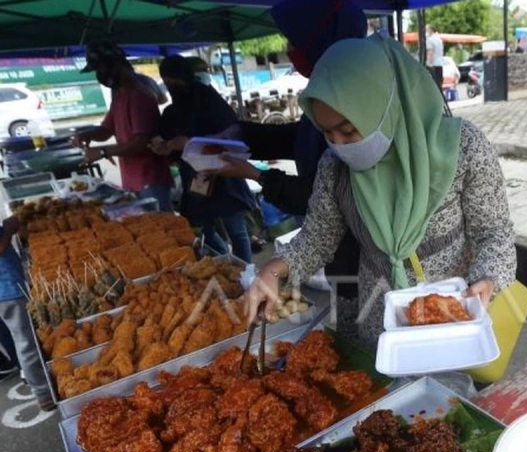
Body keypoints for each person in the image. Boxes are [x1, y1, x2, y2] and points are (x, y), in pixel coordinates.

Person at [242, 35, 517, 346]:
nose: (340, 145)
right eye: (328, 133)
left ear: (384, 106)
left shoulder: (463, 149)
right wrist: (276, 269)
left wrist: (487, 279)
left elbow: (494, 231)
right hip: (382, 322)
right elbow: (318, 238)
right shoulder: (334, 168)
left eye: (347, 129)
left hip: (456, 317)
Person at [214, 0, 367, 330]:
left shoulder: (364, 102)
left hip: (377, 274)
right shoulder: (326, 106)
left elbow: (319, 200)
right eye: (330, 132)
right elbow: (303, 140)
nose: (337, 143)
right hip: (346, 270)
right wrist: (242, 133)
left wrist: (255, 175)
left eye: (295, 41)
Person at [152, 55, 256, 263]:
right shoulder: (172, 111)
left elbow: (233, 132)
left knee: (237, 231)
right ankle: (226, 263)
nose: (173, 85)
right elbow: (166, 142)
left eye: (176, 81)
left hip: (224, 173)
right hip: (195, 180)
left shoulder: (209, 99)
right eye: (169, 82)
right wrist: (164, 147)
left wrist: (190, 141)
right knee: (202, 231)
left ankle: (248, 272)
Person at [73, 42, 173, 211]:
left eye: (101, 68)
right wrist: (86, 135)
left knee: (164, 230)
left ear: (117, 65)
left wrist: (102, 152)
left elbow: (139, 142)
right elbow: (106, 131)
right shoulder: (119, 96)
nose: (100, 74)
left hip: (150, 179)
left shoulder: (139, 96)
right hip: (131, 179)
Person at [0, 216, 54, 411]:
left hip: (6, 288)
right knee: (26, 342)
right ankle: (44, 393)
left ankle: (39, 385)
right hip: (7, 289)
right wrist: (9, 227)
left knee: (18, 339)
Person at [425, 24, 444, 90]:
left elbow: (430, 52)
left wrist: (428, 63)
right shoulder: (439, 39)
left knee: (434, 86)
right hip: (440, 64)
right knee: (439, 85)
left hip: (433, 65)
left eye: (426, 30)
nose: (425, 32)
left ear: (430, 30)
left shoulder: (430, 40)